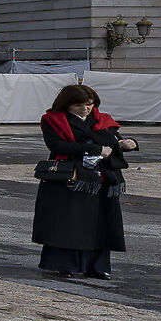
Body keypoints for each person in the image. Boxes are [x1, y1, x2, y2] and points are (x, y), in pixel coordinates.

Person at [34, 83, 136, 282]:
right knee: (68, 223)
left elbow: (115, 139)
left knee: (100, 223)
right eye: (79, 105)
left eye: (89, 104)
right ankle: (65, 264)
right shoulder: (53, 120)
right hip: (70, 177)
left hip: (101, 178)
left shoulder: (103, 120)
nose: (85, 109)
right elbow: (56, 145)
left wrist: (127, 143)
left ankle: (97, 266)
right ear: (67, 104)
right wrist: (94, 150)